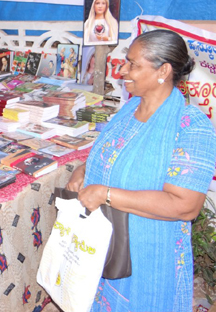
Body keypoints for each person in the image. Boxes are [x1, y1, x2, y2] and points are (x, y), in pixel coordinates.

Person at [65, 30, 216, 311]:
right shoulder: (130, 108)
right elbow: (117, 155)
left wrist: (105, 193)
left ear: (164, 71)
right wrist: (84, 170)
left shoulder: (191, 127)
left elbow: (185, 206)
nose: (123, 70)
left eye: (133, 64)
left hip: (148, 257)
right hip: (106, 247)